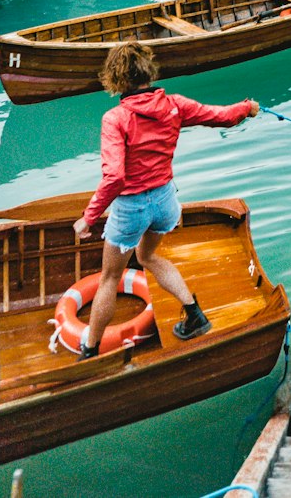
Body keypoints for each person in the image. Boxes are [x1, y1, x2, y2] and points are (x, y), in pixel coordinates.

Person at [72, 40, 258, 358]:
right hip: (164, 202)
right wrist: (246, 108)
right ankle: (194, 314)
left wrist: (88, 217)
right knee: (147, 258)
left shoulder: (115, 119)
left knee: (110, 278)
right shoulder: (175, 104)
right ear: (148, 71)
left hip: (131, 209)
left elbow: (115, 177)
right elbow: (221, 116)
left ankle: (89, 348)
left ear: (115, 78)